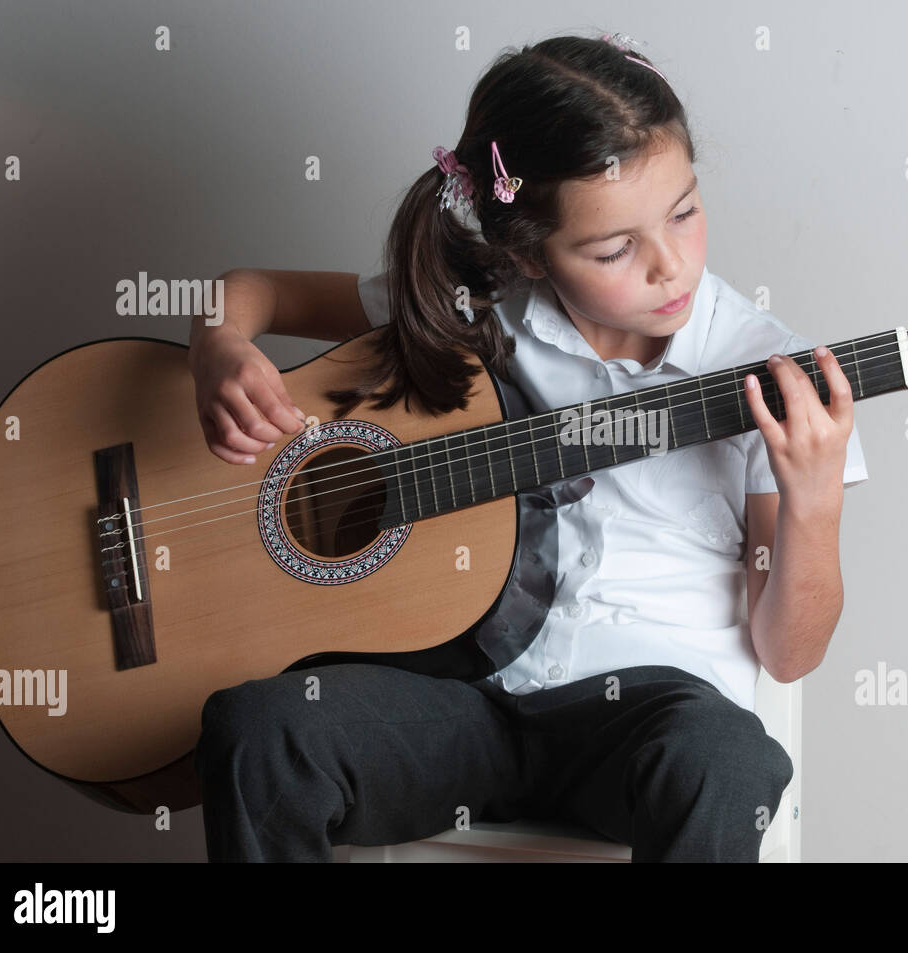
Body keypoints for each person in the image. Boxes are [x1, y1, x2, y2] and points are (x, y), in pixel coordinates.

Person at [187, 32, 868, 863]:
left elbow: (790, 653)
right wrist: (219, 344)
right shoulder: (480, 308)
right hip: (465, 702)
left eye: (685, 212)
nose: (667, 266)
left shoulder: (769, 373)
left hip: (647, 724)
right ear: (527, 252)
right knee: (260, 728)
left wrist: (815, 495)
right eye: (615, 248)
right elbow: (255, 291)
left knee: (727, 761)